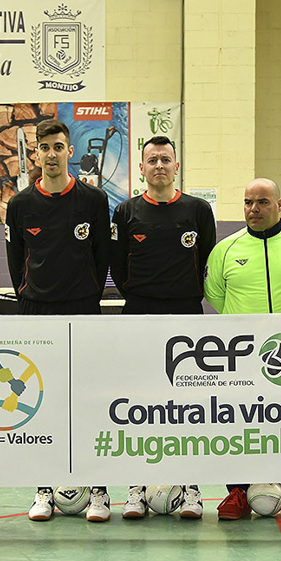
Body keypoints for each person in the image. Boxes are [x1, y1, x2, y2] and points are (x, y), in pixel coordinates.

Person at [203, 177, 281, 522]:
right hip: (240, 355)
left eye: (262, 202)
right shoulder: (226, 250)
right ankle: (238, 492)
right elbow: (216, 295)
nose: (254, 209)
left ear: (280, 204)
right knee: (239, 422)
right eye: (248, 202)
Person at [5, 118, 112, 522]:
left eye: (58, 146)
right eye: (44, 147)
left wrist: (87, 292)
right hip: (37, 313)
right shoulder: (20, 205)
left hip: (84, 309)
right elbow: (16, 264)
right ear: (37, 152)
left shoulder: (93, 200)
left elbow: (102, 256)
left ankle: (98, 491)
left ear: (70, 151)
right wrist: (31, 296)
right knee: (42, 404)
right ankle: (43, 491)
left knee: (89, 401)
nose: (51, 154)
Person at [110, 135, 216, 519]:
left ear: (176, 166)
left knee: (188, 407)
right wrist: (141, 297)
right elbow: (117, 267)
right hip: (138, 314)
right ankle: (137, 487)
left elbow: (204, 258)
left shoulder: (198, 210)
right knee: (139, 405)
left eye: (165, 159)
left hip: (187, 315)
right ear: (141, 168)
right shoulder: (125, 212)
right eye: (151, 159)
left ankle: (191, 490)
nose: (158, 165)